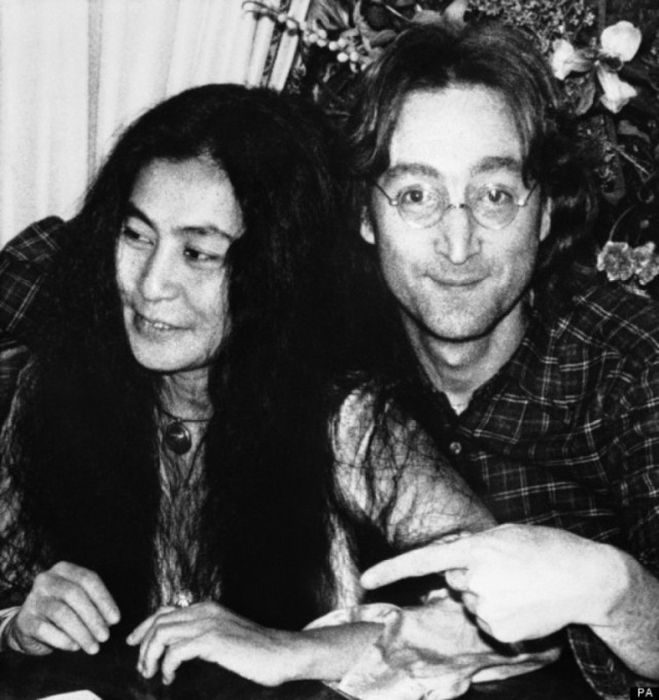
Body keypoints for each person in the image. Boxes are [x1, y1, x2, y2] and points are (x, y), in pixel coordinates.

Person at [0, 83, 559, 696]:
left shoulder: (346, 422)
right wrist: (17, 626)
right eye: (136, 235)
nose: (152, 284)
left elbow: (521, 626)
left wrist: (291, 650)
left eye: (199, 253)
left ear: (275, 267)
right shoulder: (53, 387)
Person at [337, 20, 659, 699]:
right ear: (365, 215)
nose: (458, 244)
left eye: (494, 195)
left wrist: (613, 590)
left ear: (544, 212)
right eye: (416, 195)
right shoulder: (330, 359)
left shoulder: (635, 366)